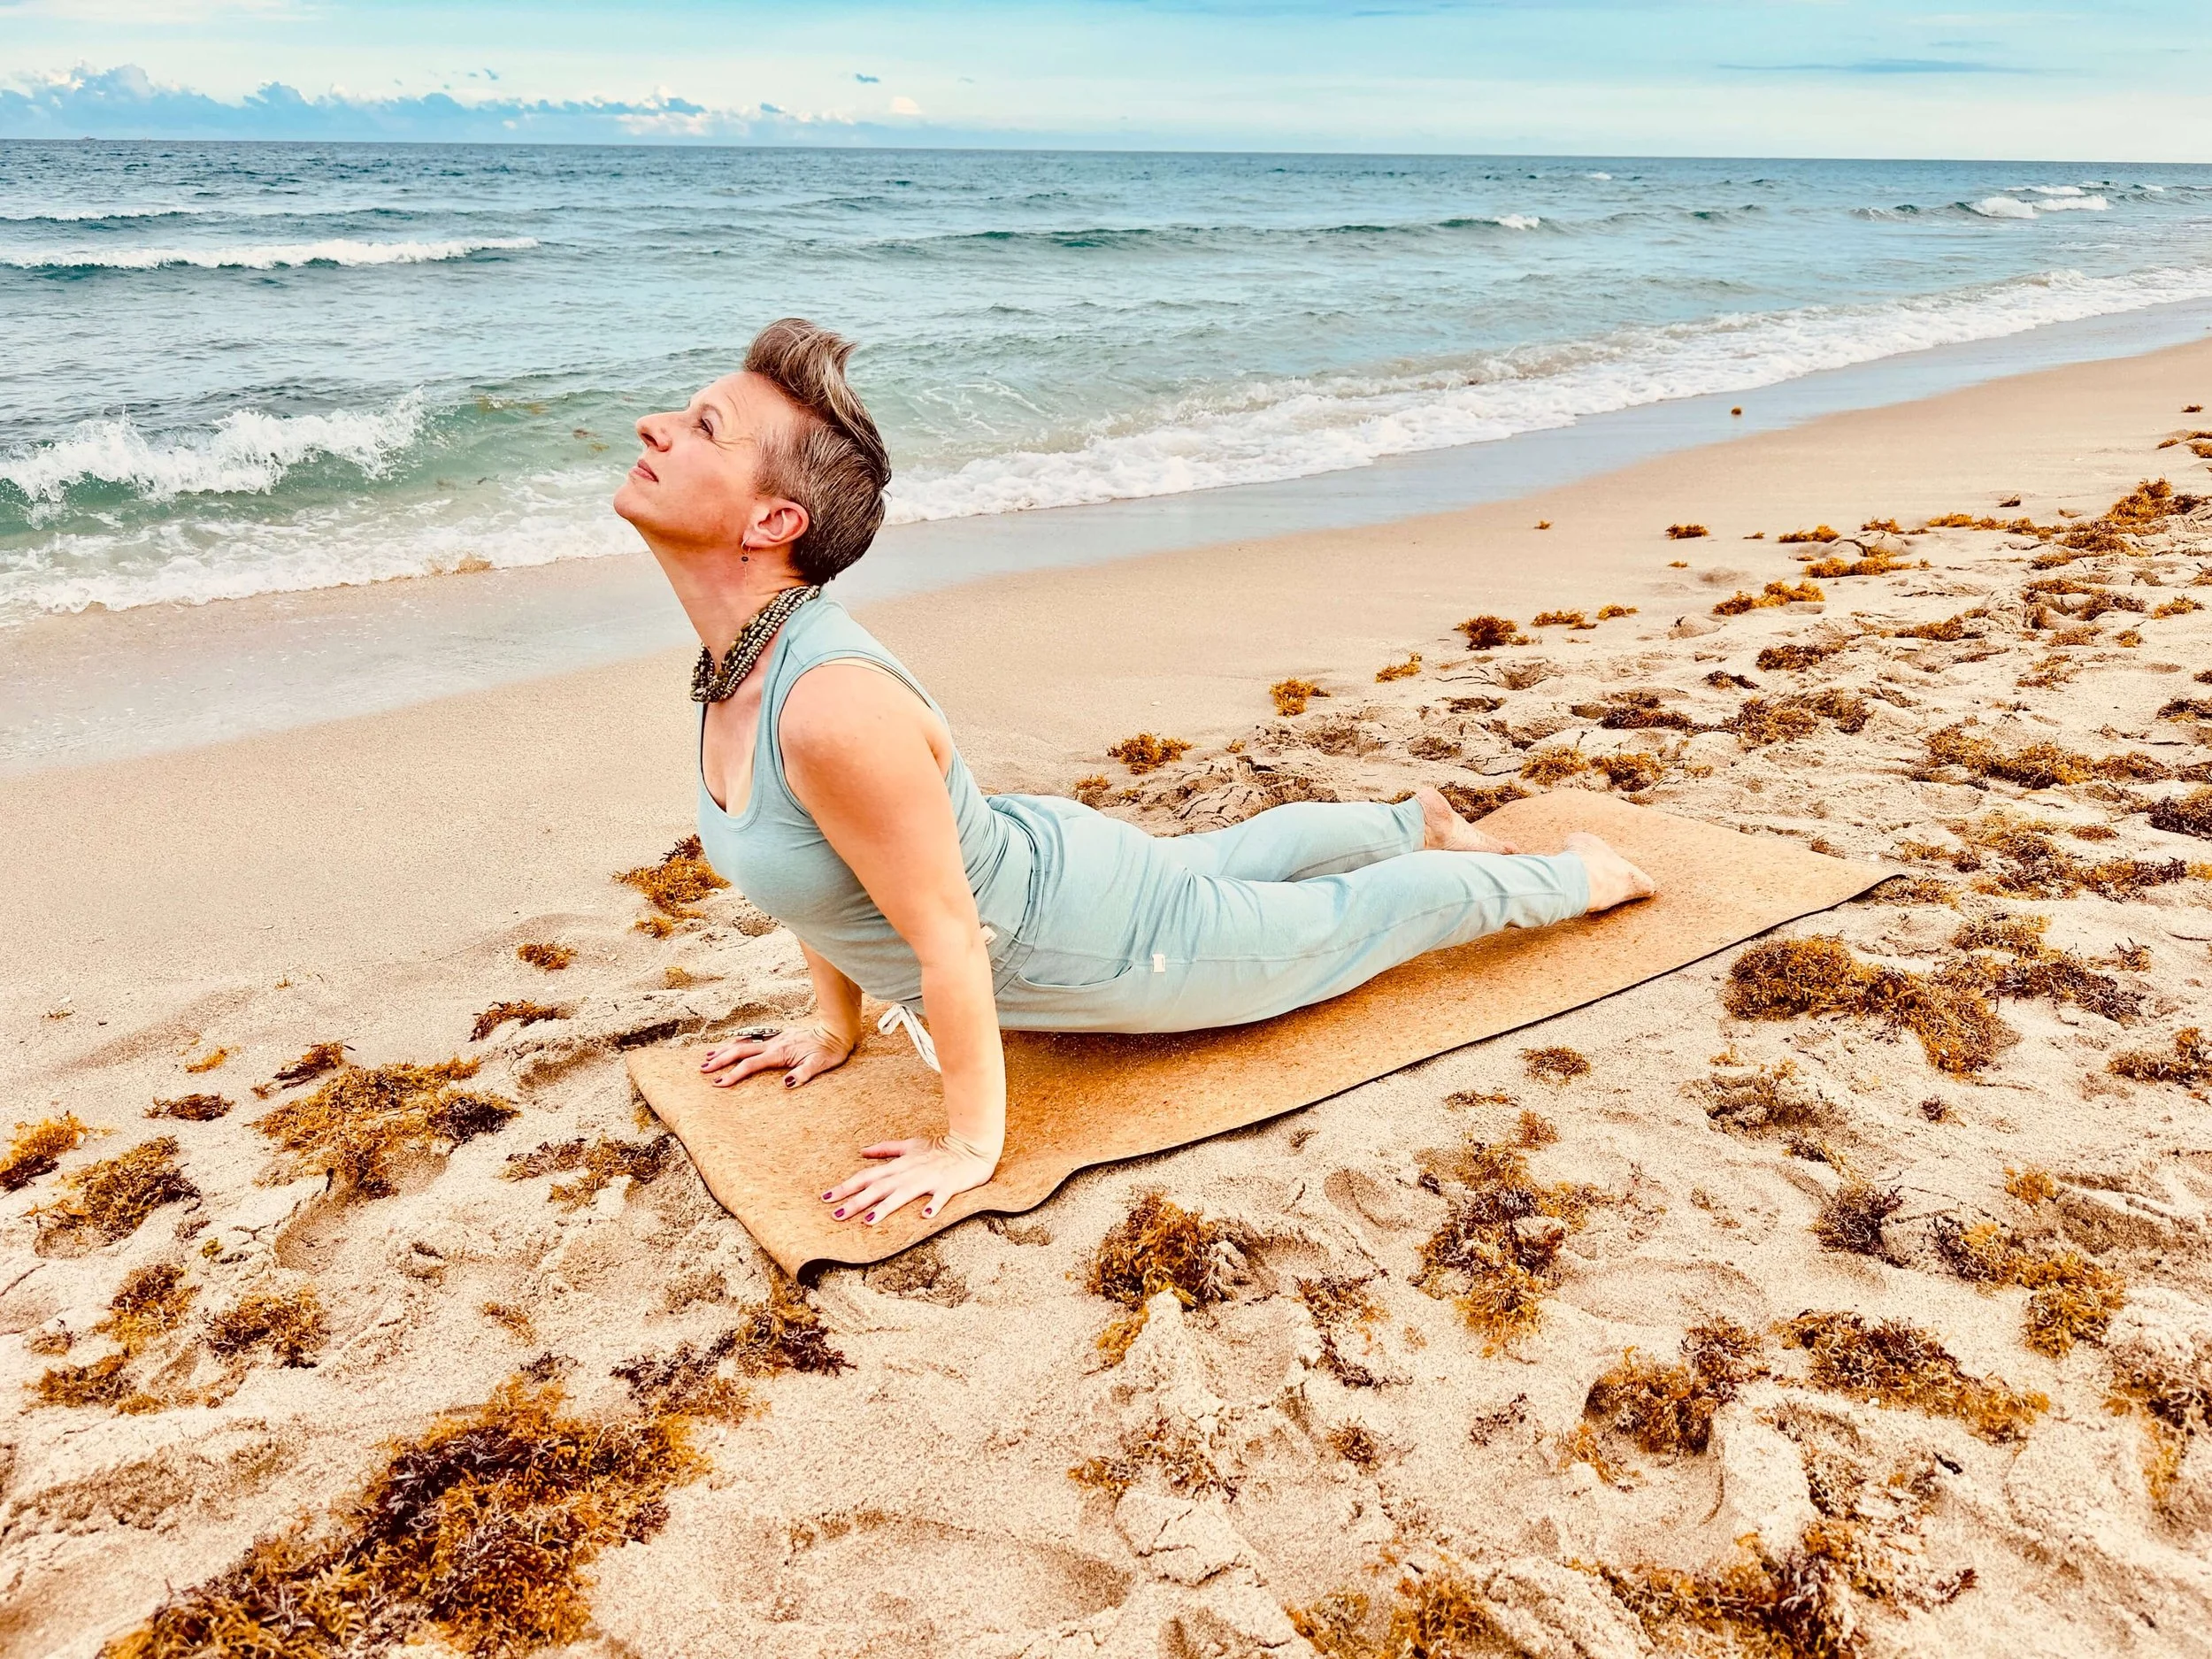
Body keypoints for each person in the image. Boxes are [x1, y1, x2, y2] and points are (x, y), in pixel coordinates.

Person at [612, 318, 1655, 1232]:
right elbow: (827, 872)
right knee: (1219, 862)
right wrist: (832, 1027)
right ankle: (1407, 817)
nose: (656, 426)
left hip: (1100, 948)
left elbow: (950, 942)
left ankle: (1580, 875)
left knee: (1348, 922)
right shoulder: (739, 667)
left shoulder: (829, 705)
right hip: (1056, 874)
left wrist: (973, 1149)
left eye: (704, 426)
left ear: (773, 523)